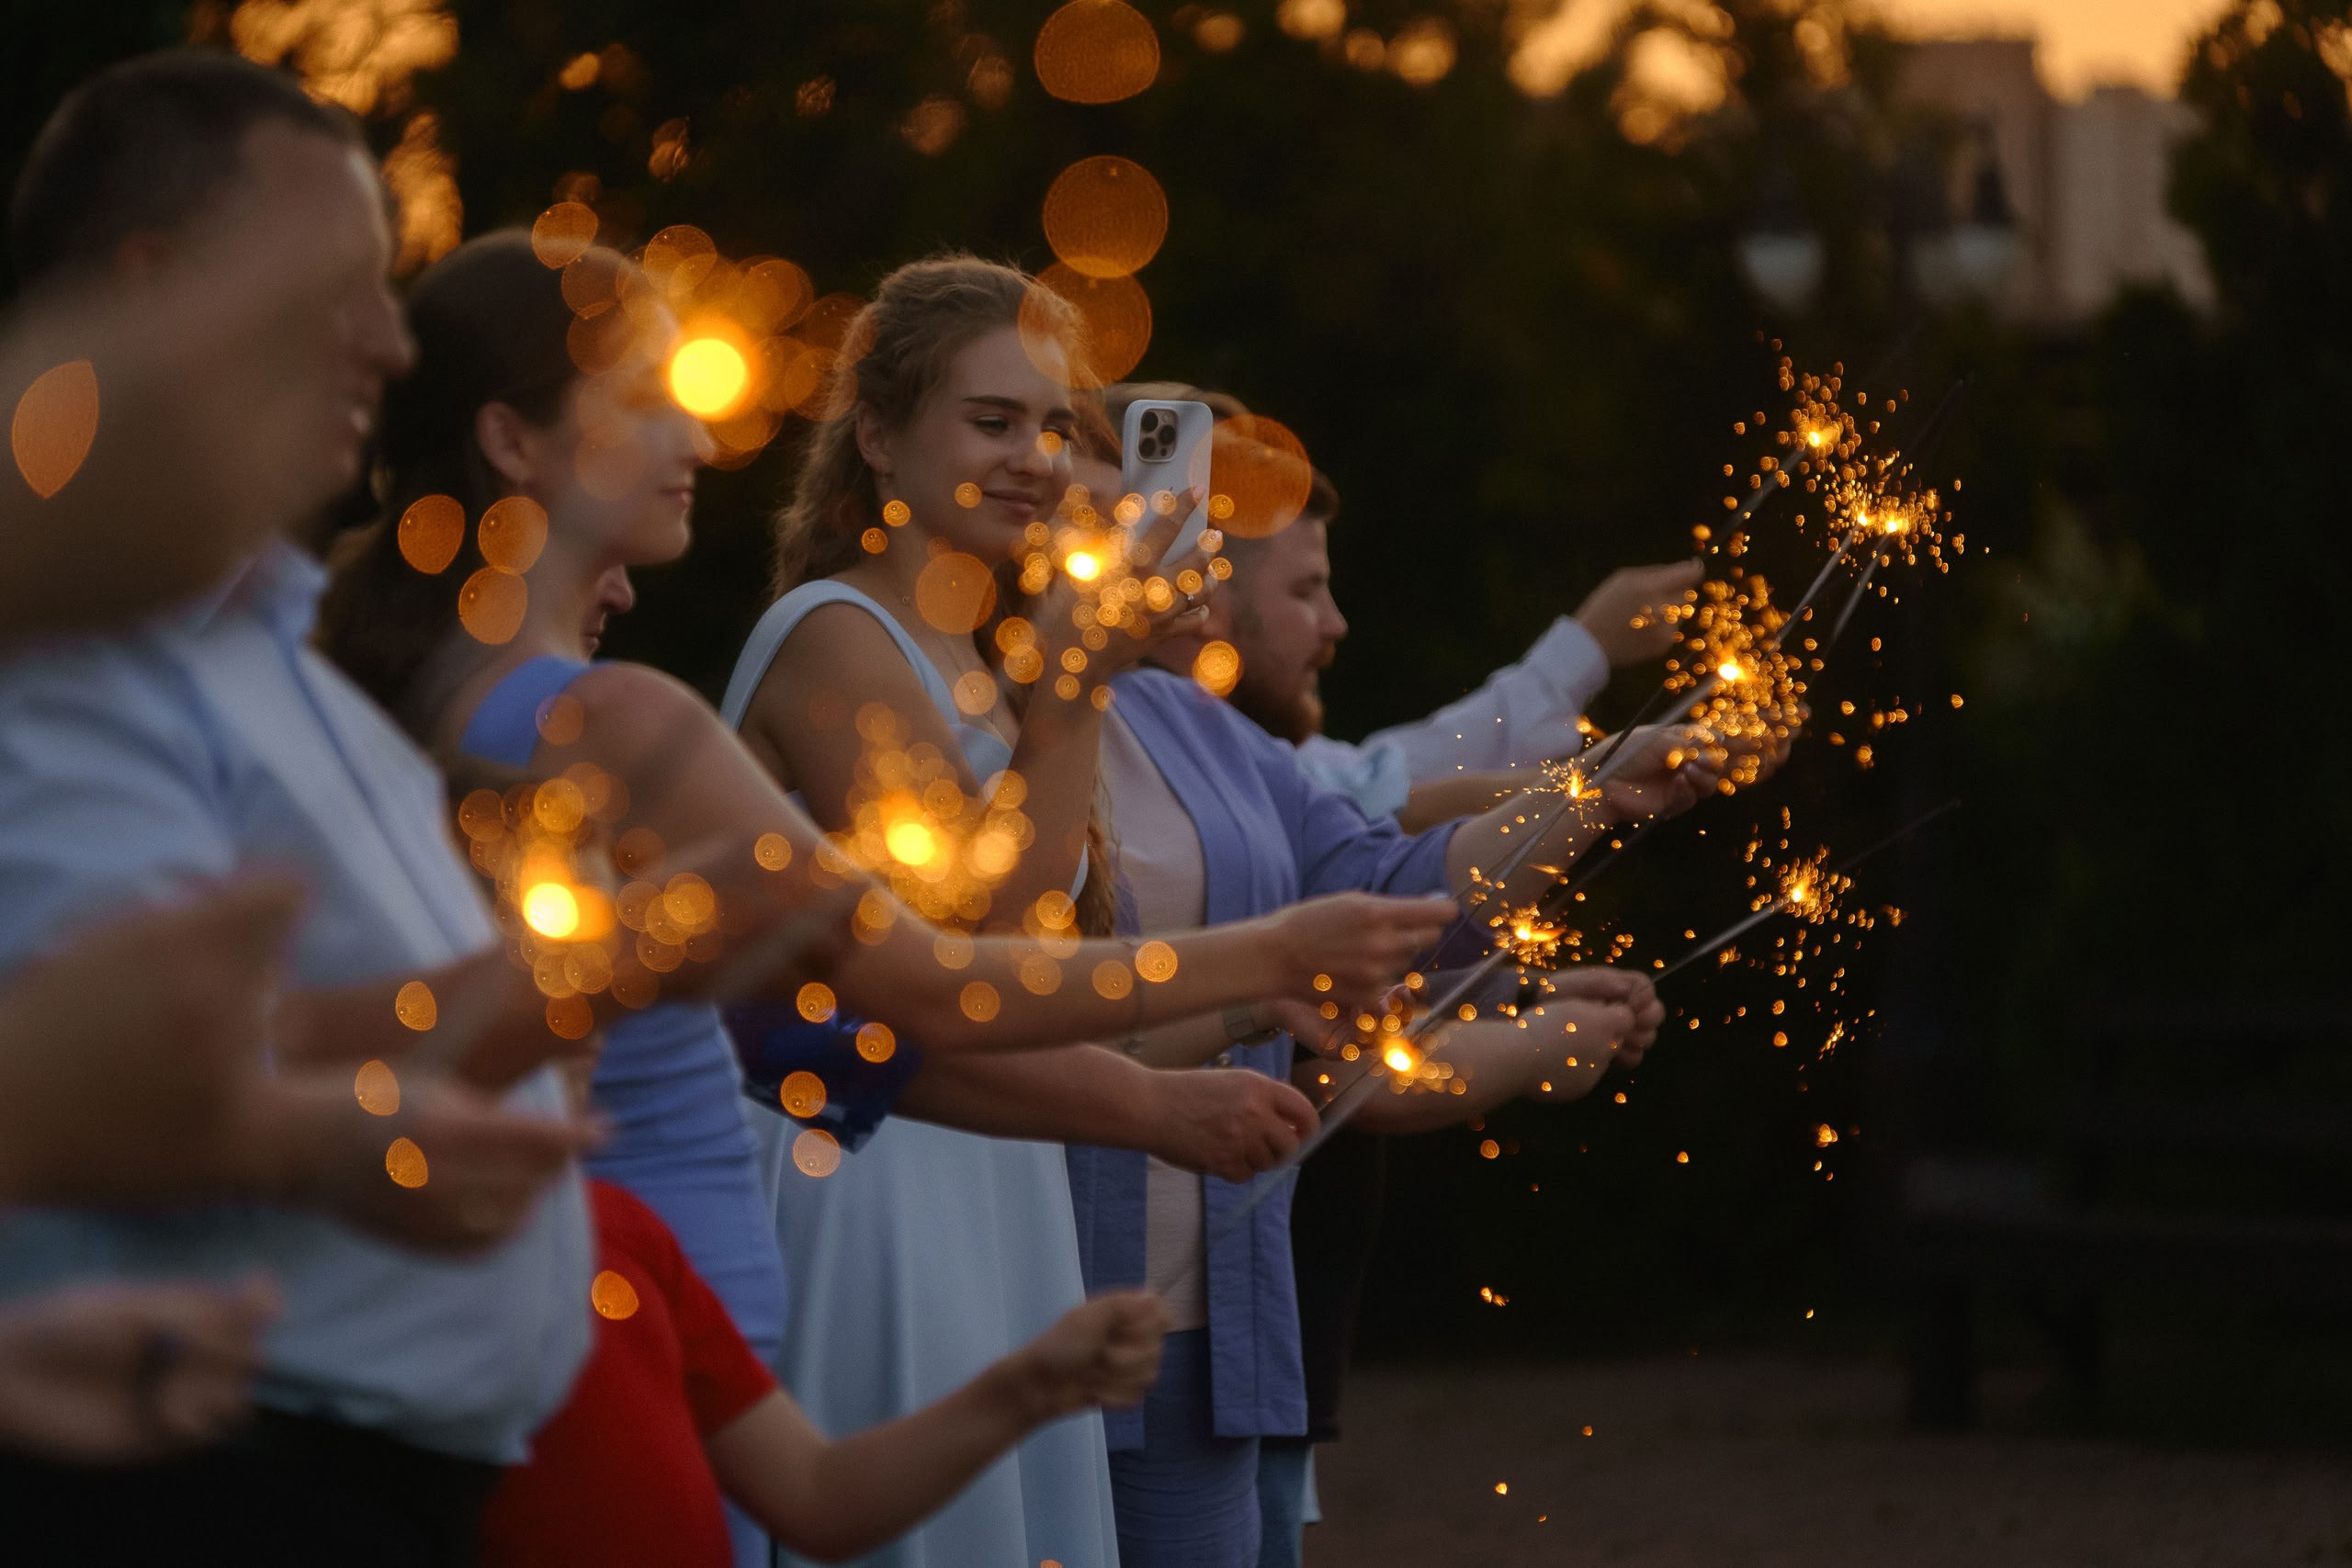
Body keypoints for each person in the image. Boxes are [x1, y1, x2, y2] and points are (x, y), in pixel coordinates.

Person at [314, 231, 1419, 1568]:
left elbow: (821, 1035)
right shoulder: (642, 710)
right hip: (720, 1261)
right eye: (649, 399)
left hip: (663, 1286)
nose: (701, 439)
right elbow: (933, 978)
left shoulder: (440, 699)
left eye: (1052, 426)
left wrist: (1162, 1079)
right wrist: (1259, 952)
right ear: (511, 440)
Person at [715, 252, 1456, 1568]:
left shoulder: (975, 660)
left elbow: (1033, 957)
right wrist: (1072, 681)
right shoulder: (833, 634)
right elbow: (970, 950)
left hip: (999, 1182)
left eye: (1054, 428)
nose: (1036, 460)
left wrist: (1074, 682)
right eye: (991, 421)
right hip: (871, 1188)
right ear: (878, 435)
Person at [0, 51, 608, 1562]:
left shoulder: (291, 662)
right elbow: (119, 1049)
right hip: (202, 1474)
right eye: (339, 288)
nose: (389, 349)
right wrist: (328, 1135)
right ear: (162, 290)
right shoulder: (77, 651)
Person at [1026, 423, 1754, 1565]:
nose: (1165, 553)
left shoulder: (1190, 726)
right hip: (1036, 1309)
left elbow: (1385, 867)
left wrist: (1598, 796)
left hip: (1216, 1325)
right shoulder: (965, 716)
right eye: (1118, 523)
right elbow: (998, 1001)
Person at [479, 1177, 1164, 1568]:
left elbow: (813, 1492)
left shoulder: (622, 1234)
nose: (581, 1035)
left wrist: (1032, 1386)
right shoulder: (395, 1293)